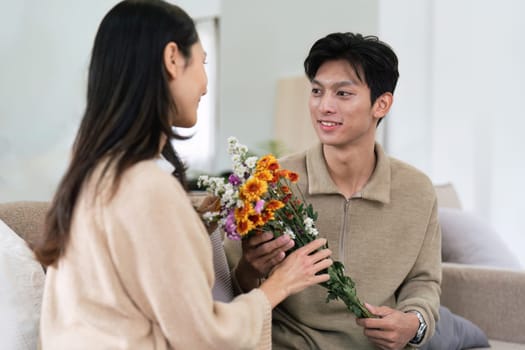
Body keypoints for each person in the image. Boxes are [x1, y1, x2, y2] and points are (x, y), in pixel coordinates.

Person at [33, 1, 332, 349]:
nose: (205, 85)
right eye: (203, 63)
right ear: (172, 58)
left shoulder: (90, 175)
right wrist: (278, 286)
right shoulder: (147, 187)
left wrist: (194, 225)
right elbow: (203, 337)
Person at [224, 32, 441, 350]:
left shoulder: (417, 191)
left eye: (342, 94)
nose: (324, 106)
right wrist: (248, 270)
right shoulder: (273, 183)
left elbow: (423, 282)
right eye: (316, 91)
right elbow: (230, 289)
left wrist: (415, 324)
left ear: (381, 104)